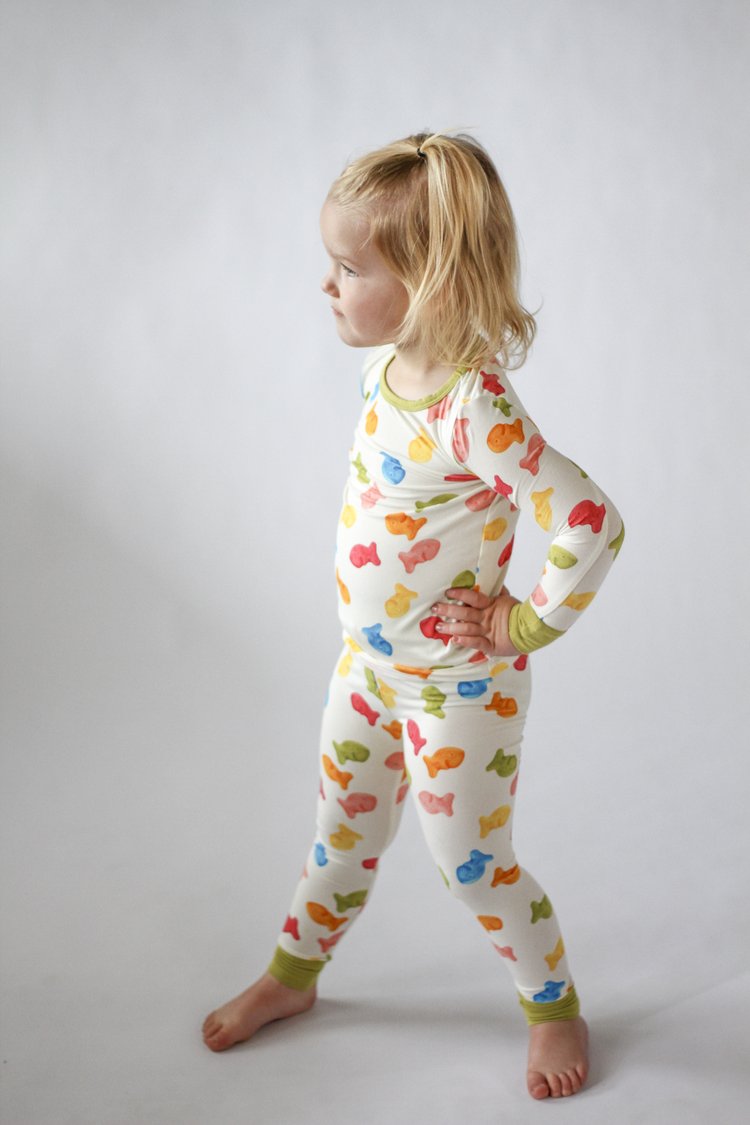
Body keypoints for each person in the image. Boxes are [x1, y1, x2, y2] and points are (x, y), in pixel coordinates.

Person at [202, 131, 624, 1101]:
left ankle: (553, 1004)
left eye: (349, 268)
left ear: (429, 279)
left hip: (458, 684)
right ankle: (294, 976)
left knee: (473, 866)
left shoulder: (477, 409)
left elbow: (590, 520)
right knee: (340, 836)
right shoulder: (384, 367)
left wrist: (521, 626)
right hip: (367, 667)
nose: (328, 286)